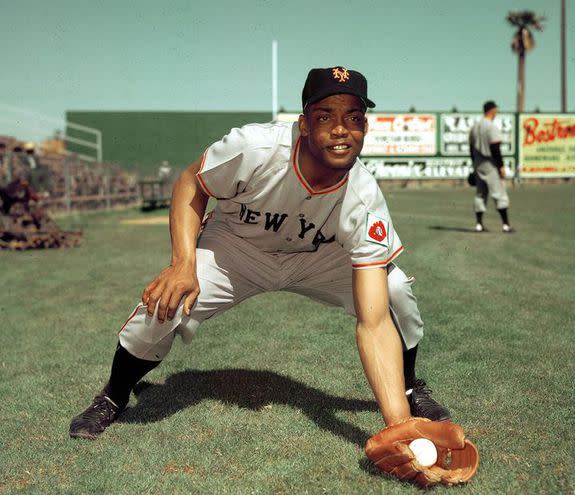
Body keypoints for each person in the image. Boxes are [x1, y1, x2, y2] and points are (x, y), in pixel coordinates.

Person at [70, 67, 450, 443]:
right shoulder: (255, 147)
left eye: (353, 117)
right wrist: (183, 264)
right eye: (325, 116)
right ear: (303, 124)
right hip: (238, 248)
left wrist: (397, 427)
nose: (340, 129)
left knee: (394, 288)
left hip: (316, 258)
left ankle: (409, 391)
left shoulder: (363, 196)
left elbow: (374, 322)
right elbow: (192, 181)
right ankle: (113, 395)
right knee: (166, 301)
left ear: (364, 128)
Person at [469, 101, 514, 233]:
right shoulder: (491, 126)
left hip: (478, 163)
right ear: (492, 110)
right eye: (496, 110)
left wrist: (474, 164)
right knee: (499, 194)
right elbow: (495, 148)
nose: (496, 113)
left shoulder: (475, 127)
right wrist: (501, 166)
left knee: (480, 194)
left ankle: (478, 224)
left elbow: (471, 149)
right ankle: (505, 225)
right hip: (490, 164)